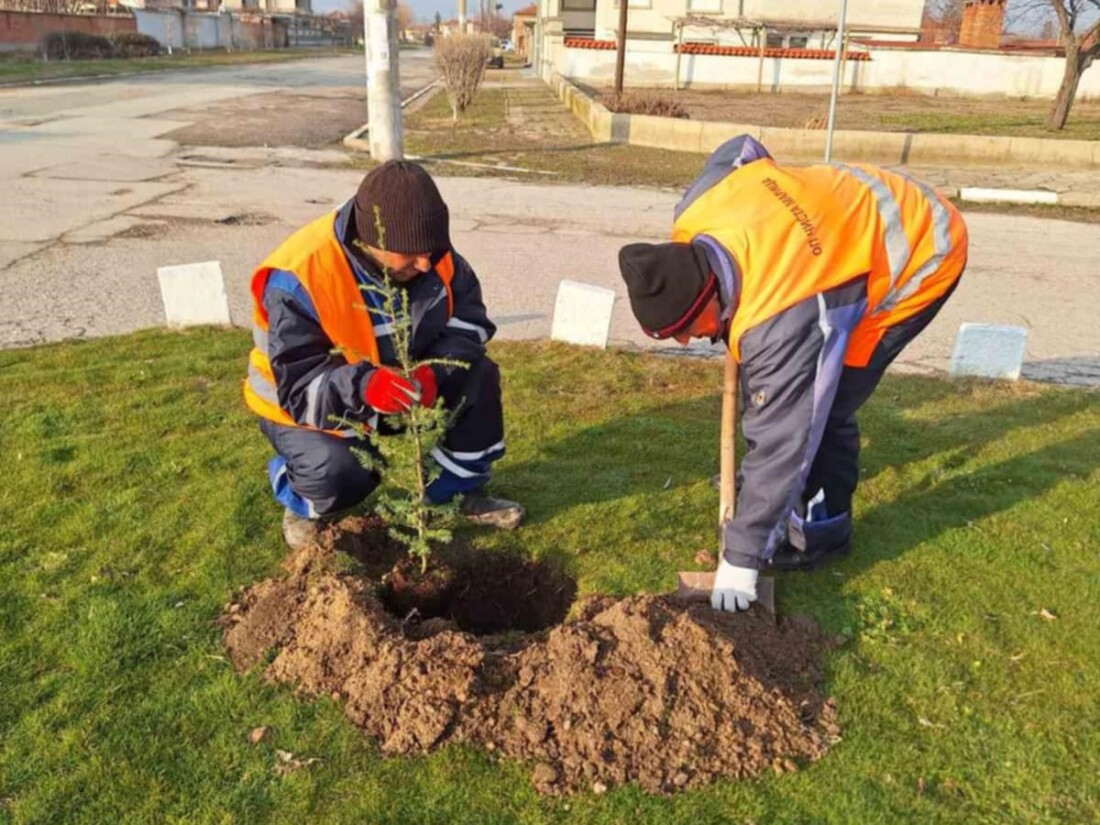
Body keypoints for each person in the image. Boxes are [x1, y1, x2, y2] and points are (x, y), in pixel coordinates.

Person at [618, 135, 968, 613]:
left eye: (683, 331)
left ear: (707, 298)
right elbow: (741, 149)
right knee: (778, 394)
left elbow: (786, 436)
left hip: (921, 250)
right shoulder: (697, 211)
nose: (684, 343)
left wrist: (741, 559)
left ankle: (822, 532)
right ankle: (770, 511)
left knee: (828, 407)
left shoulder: (781, 319)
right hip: (848, 218)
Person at [244, 160, 524, 551]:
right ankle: (300, 498)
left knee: (478, 375)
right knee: (339, 470)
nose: (426, 264)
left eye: (430, 250)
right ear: (373, 239)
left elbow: (469, 324)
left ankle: (454, 492)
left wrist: (433, 373)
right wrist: (365, 387)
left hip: (402, 388)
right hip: (306, 405)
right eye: (411, 255)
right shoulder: (300, 275)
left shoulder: (428, 251)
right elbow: (300, 383)